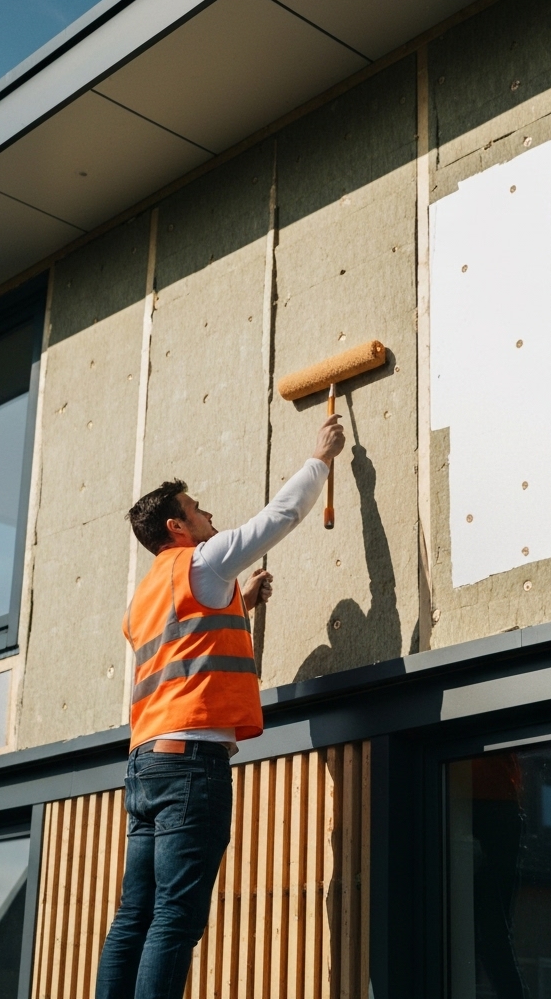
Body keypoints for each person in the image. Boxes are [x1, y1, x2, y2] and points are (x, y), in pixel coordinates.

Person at [95, 412, 345, 999]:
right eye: (197, 509)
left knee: (134, 916)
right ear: (177, 526)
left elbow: (187, 644)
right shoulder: (202, 561)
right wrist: (321, 458)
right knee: (175, 917)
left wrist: (240, 603)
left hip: (145, 765)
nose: (208, 515)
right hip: (190, 765)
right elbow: (278, 517)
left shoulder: (145, 596)